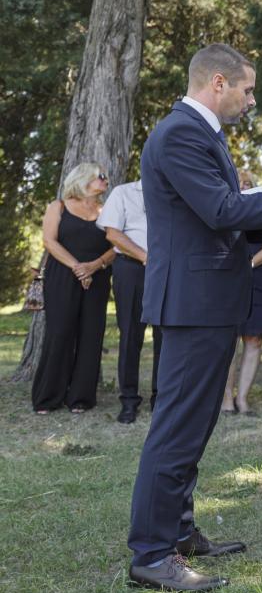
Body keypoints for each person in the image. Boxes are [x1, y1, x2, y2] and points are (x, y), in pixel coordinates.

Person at [128, 43, 262, 592]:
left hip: (208, 299)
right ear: (218, 82)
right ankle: (151, 554)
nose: (252, 99)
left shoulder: (203, 134)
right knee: (177, 427)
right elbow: (219, 210)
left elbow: (216, 216)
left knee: (196, 423)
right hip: (192, 302)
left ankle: (179, 532)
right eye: (247, 89)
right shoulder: (181, 133)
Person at [32, 162, 115, 414]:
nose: (105, 180)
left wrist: (95, 266)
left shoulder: (106, 211)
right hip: (63, 276)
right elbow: (49, 241)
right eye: (100, 176)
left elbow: (116, 246)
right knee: (59, 333)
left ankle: (81, 398)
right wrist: (79, 268)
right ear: (84, 178)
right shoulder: (58, 206)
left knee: (91, 335)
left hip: (98, 277)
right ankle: (47, 397)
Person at [98, 177, 160, 424]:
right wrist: (145, 257)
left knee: (165, 335)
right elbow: (113, 234)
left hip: (166, 271)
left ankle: (161, 398)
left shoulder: (173, 192)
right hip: (131, 269)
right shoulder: (123, 193)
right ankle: (129, 401)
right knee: (131, 335)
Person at [220, 169, 262, 416]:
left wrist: (249, 264)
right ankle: (226, 399)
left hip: (259, 278)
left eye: (248, 183)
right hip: (227, 281)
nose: (244, 186)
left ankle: (243, 399)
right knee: (229, 341)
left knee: (254, 339)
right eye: (239, 183)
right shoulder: (222, 209)